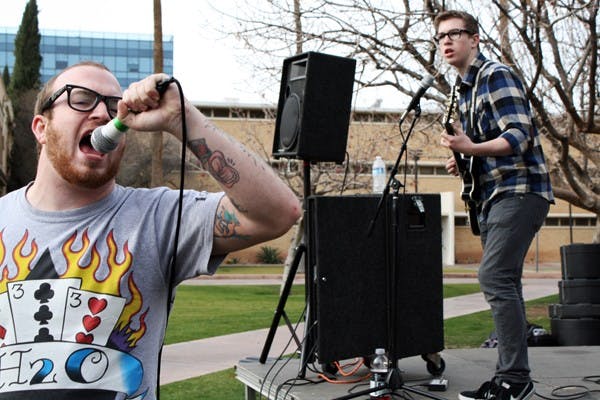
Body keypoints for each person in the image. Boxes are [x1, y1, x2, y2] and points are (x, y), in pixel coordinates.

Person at [0, 61, 301, 400]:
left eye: (114, 105)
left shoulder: (157, 219)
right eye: (82, 99)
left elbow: (278, 212)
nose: (103, 112)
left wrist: (181, 119)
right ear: (41, 127)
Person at [433, 10, 554, 400]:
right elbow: (482, 147)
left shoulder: (495, 75)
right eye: (440, 37)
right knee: (506, 282)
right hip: (492, 196)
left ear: (475, 38)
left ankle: (514, 379)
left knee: (494, 277)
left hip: (518, 190)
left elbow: (518, 134)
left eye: (455, 34)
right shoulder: (460, 90)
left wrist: (472, 147)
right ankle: (511, 377)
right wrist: (464, 158)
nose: (446, 42)